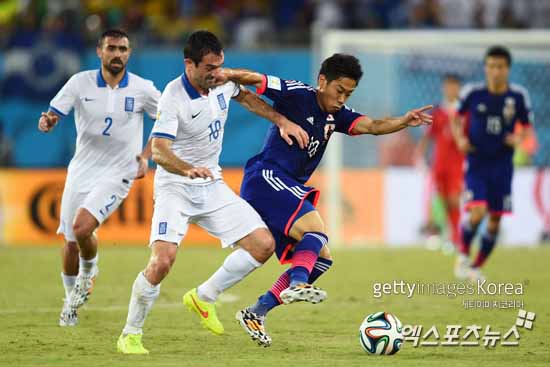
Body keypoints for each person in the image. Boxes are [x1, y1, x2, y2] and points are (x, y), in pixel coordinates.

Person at [218, 53, 432, 346]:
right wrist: (225, 72)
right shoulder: (297, 94)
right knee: (314, 229)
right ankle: (297, 283)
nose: (342, 98)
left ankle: (257, 311)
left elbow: (372, 126)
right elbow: (256, 79)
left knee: (322, 258)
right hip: (265, 177)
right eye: (339, 90)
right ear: (322, 81)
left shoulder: (337, 115)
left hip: (286, 186)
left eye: (349, 93)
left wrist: (404, 121)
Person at [117, 30, 308, 355]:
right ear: (188, 64)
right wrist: (186, 168)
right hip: (175, 187)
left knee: (263, 245)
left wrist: (280, 121)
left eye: (220, 65)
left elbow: (247, 97)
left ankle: (204, 296)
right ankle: (130, 334)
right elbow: (160, 150)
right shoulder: (173, 97)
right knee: (163, 261)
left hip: (211, 184)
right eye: (209, 67)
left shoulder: (222, 81)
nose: (216, 73)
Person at [38, 29, 161, 327]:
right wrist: (48, 121)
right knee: (69, 242)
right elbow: (54, 113)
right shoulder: (79, 82)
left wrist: (146, 155)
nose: (117, 54)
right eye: (112, 48)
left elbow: (168, 121)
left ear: (129, 53)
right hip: (81, 170)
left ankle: (89, 270)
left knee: (82, 228)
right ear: (99, 51)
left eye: (123, 49)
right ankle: (71, 302)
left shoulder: (143, 89)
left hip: (119, 172)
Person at [452, 46, 533, 281]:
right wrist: (460, 139)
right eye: (491, 66)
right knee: (477, 212)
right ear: (485, 68)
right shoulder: (472, 93)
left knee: (495, 219)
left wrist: (517, 138)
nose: (495, 71)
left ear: (507, 69)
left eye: (500, 67)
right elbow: (456, 118)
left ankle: (476, 267)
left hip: (502, 165)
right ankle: (464, 255)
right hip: (477, 162)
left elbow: (527, 129)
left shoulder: (518, 96)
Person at [415, 74, 463, 249]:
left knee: (453, 199)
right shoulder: (438, 112)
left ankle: (457, 237)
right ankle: (447, 235)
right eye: (447, 86)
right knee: (441, 200)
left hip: (457, 165)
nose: (450, 90)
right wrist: (419, 155)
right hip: (439, 164)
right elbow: (428, 136)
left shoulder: (464, 112)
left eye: (453, 86)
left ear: (458, 88)